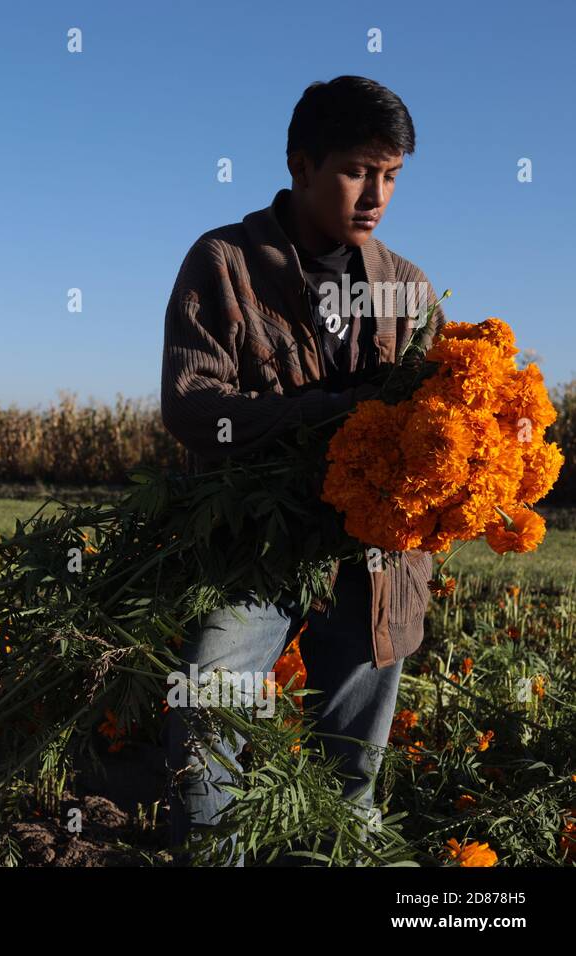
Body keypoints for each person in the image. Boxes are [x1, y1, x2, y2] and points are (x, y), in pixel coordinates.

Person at [158, 77, 447, 865]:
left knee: (351, 768)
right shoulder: (225, 263)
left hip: (376, 561)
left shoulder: (410, 291)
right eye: (357, 170)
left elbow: (444, 427)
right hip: (252, 543)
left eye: (391, 175)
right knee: (209, 709)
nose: (376, 195)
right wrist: (337, 414)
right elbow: (192, 408)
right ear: (300, 163)